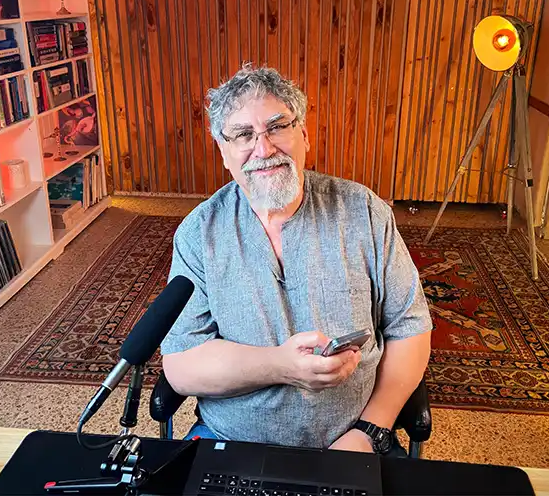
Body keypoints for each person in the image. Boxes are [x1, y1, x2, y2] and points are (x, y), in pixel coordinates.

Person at [161, 64, 432, 454]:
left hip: (356, 438)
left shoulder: (364, 211)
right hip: (231, 441)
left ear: (303, 134)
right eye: (243, 135)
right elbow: (181, 364)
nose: (263, 149)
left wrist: (371, 430)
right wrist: (281, 365)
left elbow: (410, 328)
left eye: (276, 127)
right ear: (223, 152)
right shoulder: (198, 233)